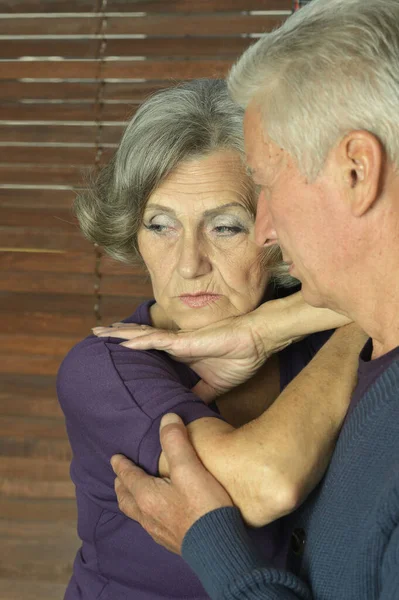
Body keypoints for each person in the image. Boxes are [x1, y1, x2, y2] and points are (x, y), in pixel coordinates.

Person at [105, 0, 399, 598]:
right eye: (160, 225)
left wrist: (212, 545)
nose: (268, 230)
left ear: (356, 171)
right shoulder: (113, 363)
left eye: (236, 217)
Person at [58, 79, 362, 600]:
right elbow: (265, 482)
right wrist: (364, 319)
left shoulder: (314, 346)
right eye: (160, 225)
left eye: (225, 227)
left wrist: (270, 328)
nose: (189, 263)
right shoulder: (105, 368)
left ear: (275, 231)